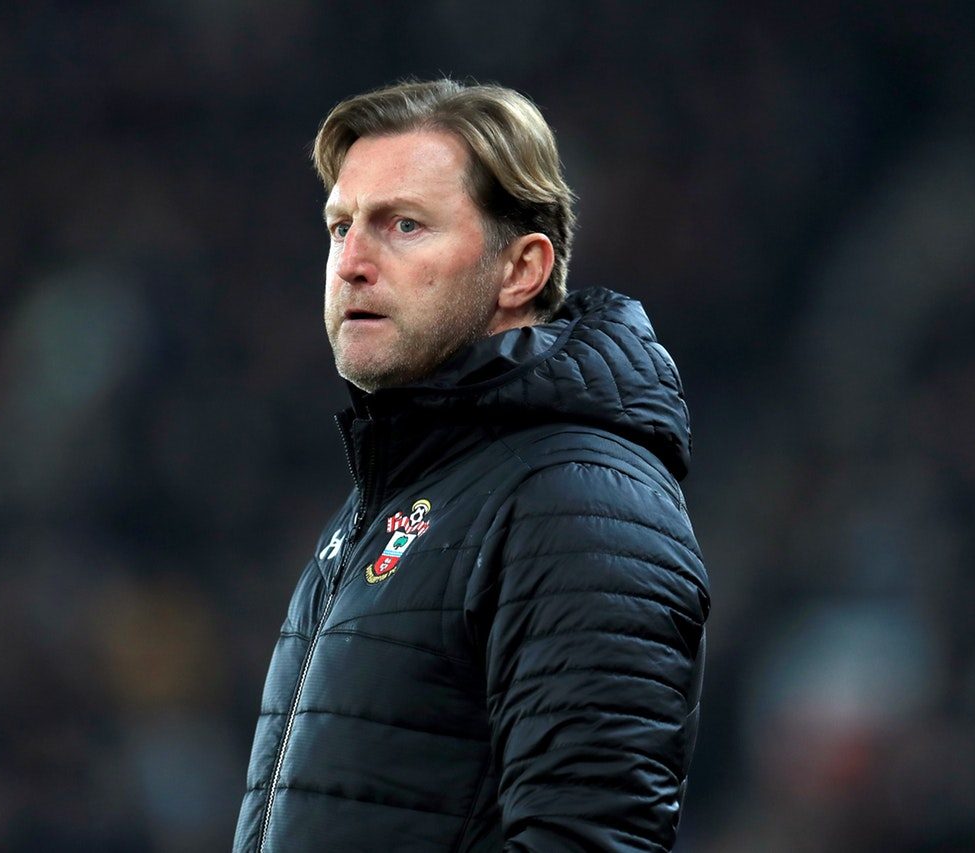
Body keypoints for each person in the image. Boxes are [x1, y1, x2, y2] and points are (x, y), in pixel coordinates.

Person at [234, 78, 709, 852]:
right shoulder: (394, 499)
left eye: (404, 225)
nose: (351, 263)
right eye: (340, 226)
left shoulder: (578, 499)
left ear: (521, 269)